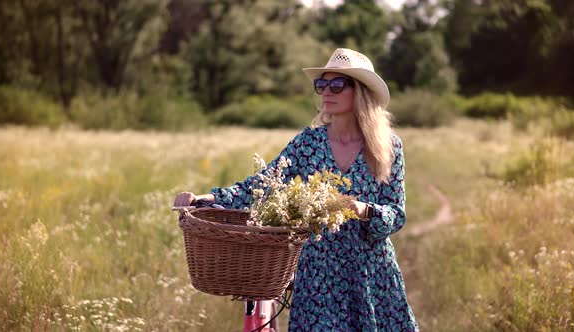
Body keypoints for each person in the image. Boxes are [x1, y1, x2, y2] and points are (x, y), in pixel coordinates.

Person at [174, 48, 419, 331]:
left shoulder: (389, 147)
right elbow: (264, 185)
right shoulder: (309, 143)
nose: (327, 91)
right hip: (318, 277)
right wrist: (208, 198)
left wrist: (364, 210)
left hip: (370, 274)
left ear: (361, 92)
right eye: (322, 85)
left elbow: (396, 214)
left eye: (337, 84)